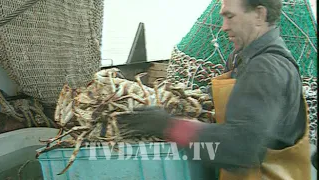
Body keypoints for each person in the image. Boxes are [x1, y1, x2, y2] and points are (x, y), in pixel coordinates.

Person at [117, 0, 312, 179]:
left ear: (259, 15)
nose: (224, 27)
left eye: (230, 16)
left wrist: (168, 126)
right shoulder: (244, 59)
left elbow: (241, 151)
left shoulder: (266, 68)